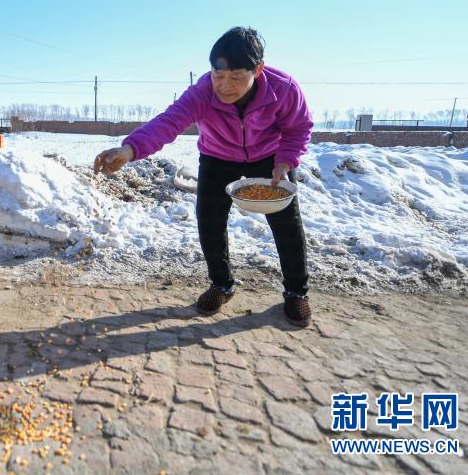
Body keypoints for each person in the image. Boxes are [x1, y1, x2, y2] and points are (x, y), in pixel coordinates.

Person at [93, 27, 314, 326]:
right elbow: (169, 122)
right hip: (217, 156)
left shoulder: (283, 88)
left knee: (287, 222)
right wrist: (129, 150)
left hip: (271, 158)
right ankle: (222, 285)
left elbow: (299, 128)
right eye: (218, 75)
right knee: (209, 220)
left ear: (258, 70)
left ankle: (296, 292)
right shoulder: (203, 92)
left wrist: (286, 161)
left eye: (236, 77)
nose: (224, 86)